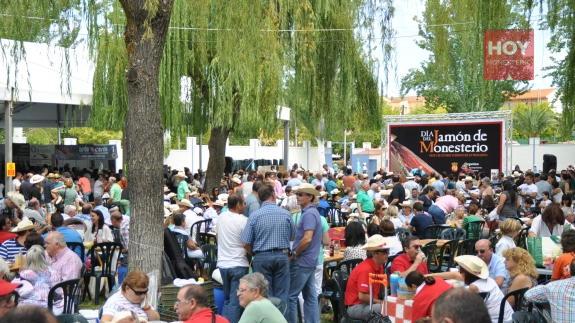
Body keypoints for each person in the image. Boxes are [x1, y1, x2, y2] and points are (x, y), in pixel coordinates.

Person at [241, 183, 294, 305]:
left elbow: (245, 242)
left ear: (259, 198)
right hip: (282, 254)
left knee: (265, 296)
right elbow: (292, 236)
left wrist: (254, 252)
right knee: (282, 295)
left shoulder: (254, 216)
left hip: (262, 256)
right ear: (273, 195)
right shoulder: (285, 214)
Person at [288, 183, 322, 323]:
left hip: (302, 261)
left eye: (301, 194)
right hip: (309, 260)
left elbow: (307, 238)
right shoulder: (311, 212)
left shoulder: (309, 214)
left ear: (310, 197)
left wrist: (295, 253)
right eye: (297, 194)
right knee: (310, 296)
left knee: (291, 296)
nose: (298, 197)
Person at [217, 194, 249, 323]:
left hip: (223, 264)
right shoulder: (243, 220)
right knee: (235, 301)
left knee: (228, 299)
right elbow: (246, 243)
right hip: (238, 263)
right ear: (237, 205)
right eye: (243, 203)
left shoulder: (221, 217)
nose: (245, 206)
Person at [344, 234, 392, 320]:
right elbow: (362, 297)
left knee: (394, 306)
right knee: (388, 308)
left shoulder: (379, 266)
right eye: (384, 252)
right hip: (356, 306)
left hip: (368, 304)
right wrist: (381, 302)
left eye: (387, 251)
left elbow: (383, 288)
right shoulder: (365, 269)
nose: (387, 254)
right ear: (374, 253)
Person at [454, 255, 513, 323]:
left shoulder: (474, 287)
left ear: (465, 273)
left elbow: (466, 310)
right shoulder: (490, 280)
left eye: (460, 270)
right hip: (508, 317)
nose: (460, 273)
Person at [12, 245, 56, 309]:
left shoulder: (25, 274)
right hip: (51, 305)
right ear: (43, 257)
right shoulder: (53, 272)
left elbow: (13, 287)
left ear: (28, 259)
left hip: (29, 308)